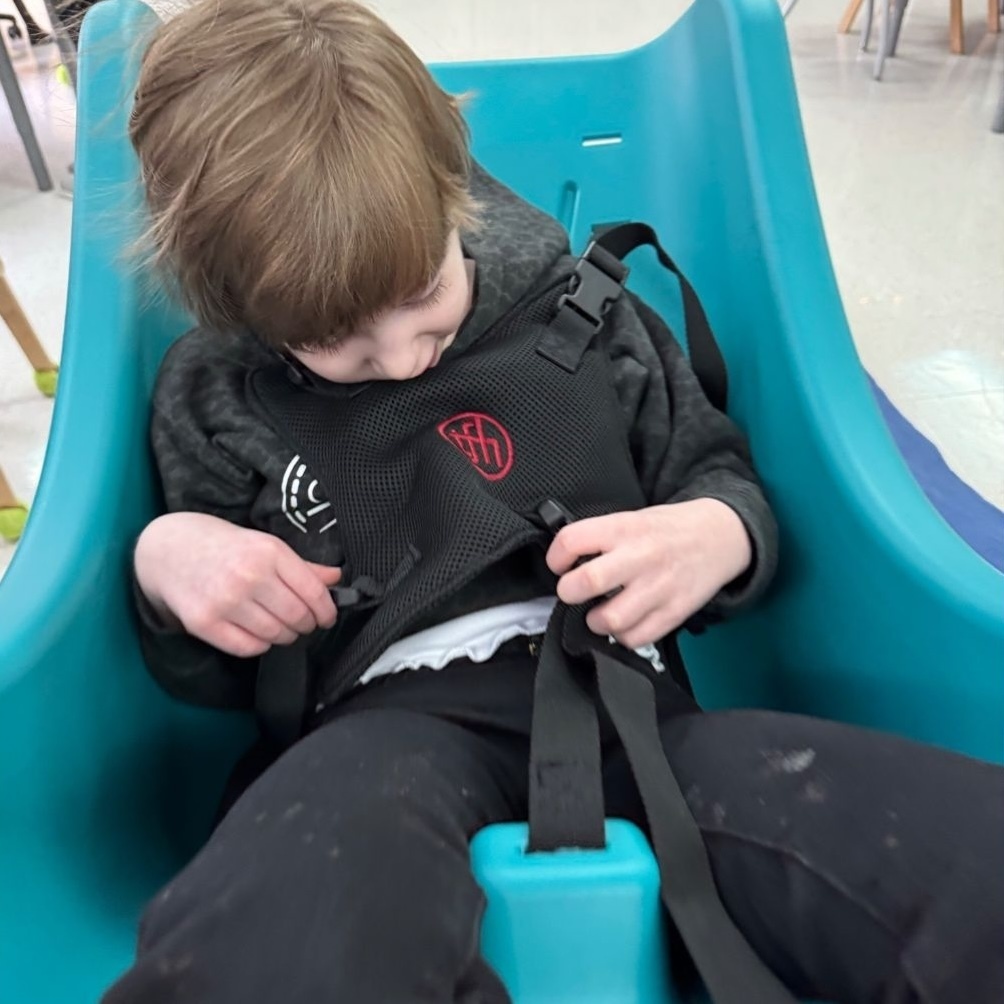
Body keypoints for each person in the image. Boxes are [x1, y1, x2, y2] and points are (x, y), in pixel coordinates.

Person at [102, 1, 1003, 1001]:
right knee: (281, 936)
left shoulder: (584, 310)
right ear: (240, 310)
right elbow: (208, 678)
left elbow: (714, 473)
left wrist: (713, 535)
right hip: (380, 731)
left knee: (960, 858)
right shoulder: (216, 394)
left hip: (639, 710)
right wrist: (172, 560)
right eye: (339, 345)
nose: (402, 357)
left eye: (419, 295)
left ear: (455, 194)